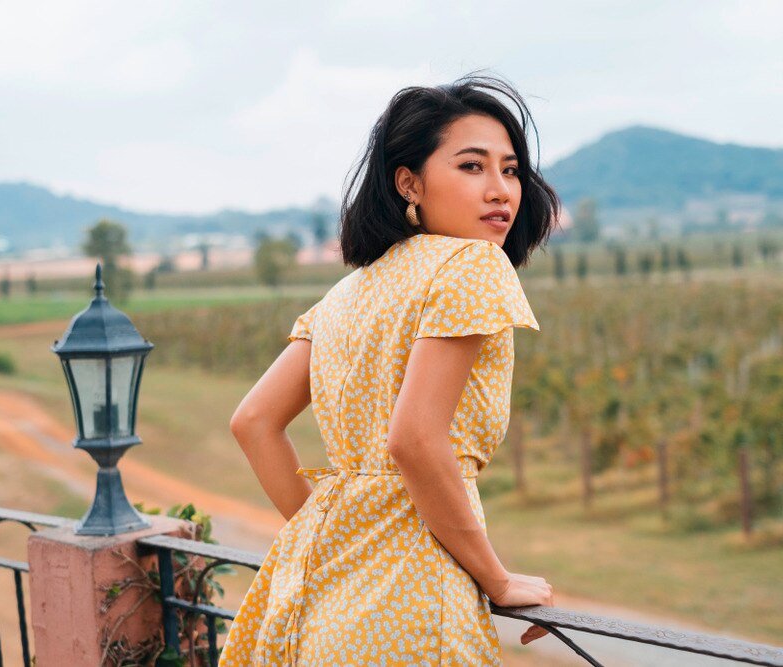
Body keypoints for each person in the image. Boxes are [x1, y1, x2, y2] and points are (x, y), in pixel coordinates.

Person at [219, 73, 560, 666]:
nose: (500, 190)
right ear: (409, 183)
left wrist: (336, 536)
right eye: (472, 166)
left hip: (320, 601)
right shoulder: (474, 265)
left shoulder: (348, 292)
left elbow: (253, 422)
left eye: (510, 171)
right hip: (411, 604)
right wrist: (497, 580)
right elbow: (415, 440)